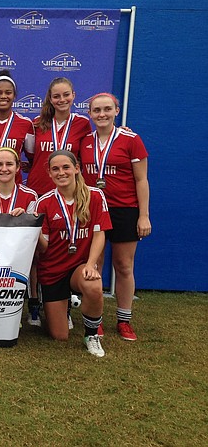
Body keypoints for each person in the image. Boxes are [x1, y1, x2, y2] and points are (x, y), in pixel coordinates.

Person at [80, 93, 151, 341]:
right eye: (96, 110)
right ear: (89, 113)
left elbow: (141, 180)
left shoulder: (131, 140)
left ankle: (124, 319)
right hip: (93, 209)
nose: (102, 114)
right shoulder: (84, 140)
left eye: (107, 109)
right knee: (95, 266)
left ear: (116, 111)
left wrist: (144, 216)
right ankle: (94, 320)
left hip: (124, 209)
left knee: (123, 266)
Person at [35, 150, 112, 357]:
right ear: (50, 174)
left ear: (77, 168)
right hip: (52, 271)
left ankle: (91, 334)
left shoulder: (95, 195)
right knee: (59, 336)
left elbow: (99, 234)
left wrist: (91, 264)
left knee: (93, 284)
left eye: (66, 167)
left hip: (79, 266)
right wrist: (31, 229)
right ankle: (60, 303)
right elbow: (44, 247)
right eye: (55, 169)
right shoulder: (44, 202)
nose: (61, 172)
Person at [0, 147, 40, 325]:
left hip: (20, 250)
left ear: (18, 167)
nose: (4, 168)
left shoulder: (30, 195)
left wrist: (24, 219)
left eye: (9, 164)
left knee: (33, 259)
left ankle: (33, 304)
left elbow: (33, 232)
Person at [26, 77, 93, 196]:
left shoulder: (82, 123)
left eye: (66, 95)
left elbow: (92, 148)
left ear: (73, 95)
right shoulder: (37, 123)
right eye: (56, 96)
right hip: (38, 188)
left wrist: (119, 130)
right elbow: (30, 154)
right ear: (50, 99)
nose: (62, 100)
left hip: (69, 190)